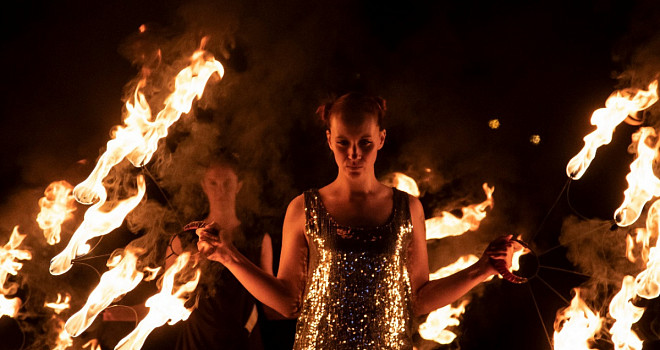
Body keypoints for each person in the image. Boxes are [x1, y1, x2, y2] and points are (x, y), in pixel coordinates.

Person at [196, 93, 518, 349]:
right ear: (328, 140)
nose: (354, 154)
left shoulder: (408, 209)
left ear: (381, 138)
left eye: (364, 142)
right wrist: (228, 255)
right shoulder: (304, 208)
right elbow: (288, 303)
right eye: (343, 143)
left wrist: (483, 268)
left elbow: (418, 299)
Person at [167, 153, 275, 350]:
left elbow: (271, 302)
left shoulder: (258, 238)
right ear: (204, 185)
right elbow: (165, 300)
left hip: (243, 342)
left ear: (239, 185)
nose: (221, 190)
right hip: (196, 343)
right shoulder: (183, 239)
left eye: (227, 183)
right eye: (213, 183)